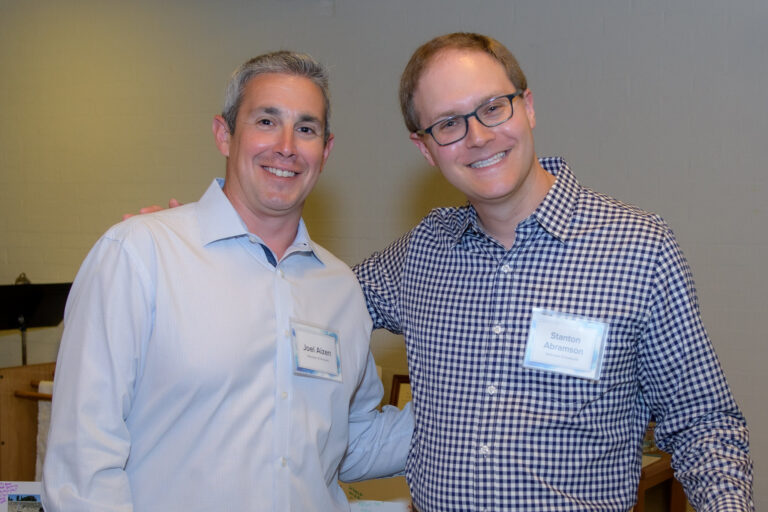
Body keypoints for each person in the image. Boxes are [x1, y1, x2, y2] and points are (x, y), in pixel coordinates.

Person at [352, 33, 754, 511]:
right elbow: (316, 299)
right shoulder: (422, 252)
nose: (478, 136)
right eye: (448, 123)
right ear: (425, 149)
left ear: (528, 107)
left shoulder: (638, 249)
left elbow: (703, 423)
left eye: (493, 108)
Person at [42, 51, 413, 512]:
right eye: (265, 121)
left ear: (326, 149)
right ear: (224, 134)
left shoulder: (340, 289)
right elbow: (84, 458)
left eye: (306, 128)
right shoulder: (140, 256)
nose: (286, 146)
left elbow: (350, 440)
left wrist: (482, 406)